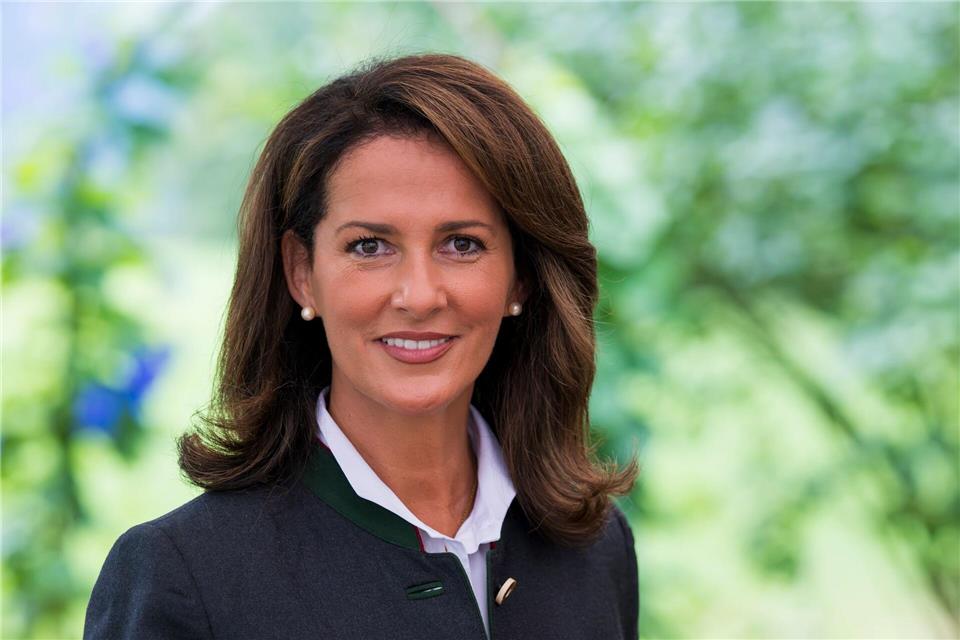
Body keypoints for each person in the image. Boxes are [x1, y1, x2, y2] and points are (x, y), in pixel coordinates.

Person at [83, 52, 639, 640]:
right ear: (302, 273)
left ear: (520, 278)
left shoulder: (596, 548)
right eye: (370, 246)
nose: (419, 295)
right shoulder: (186, 575)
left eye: (462, 244)